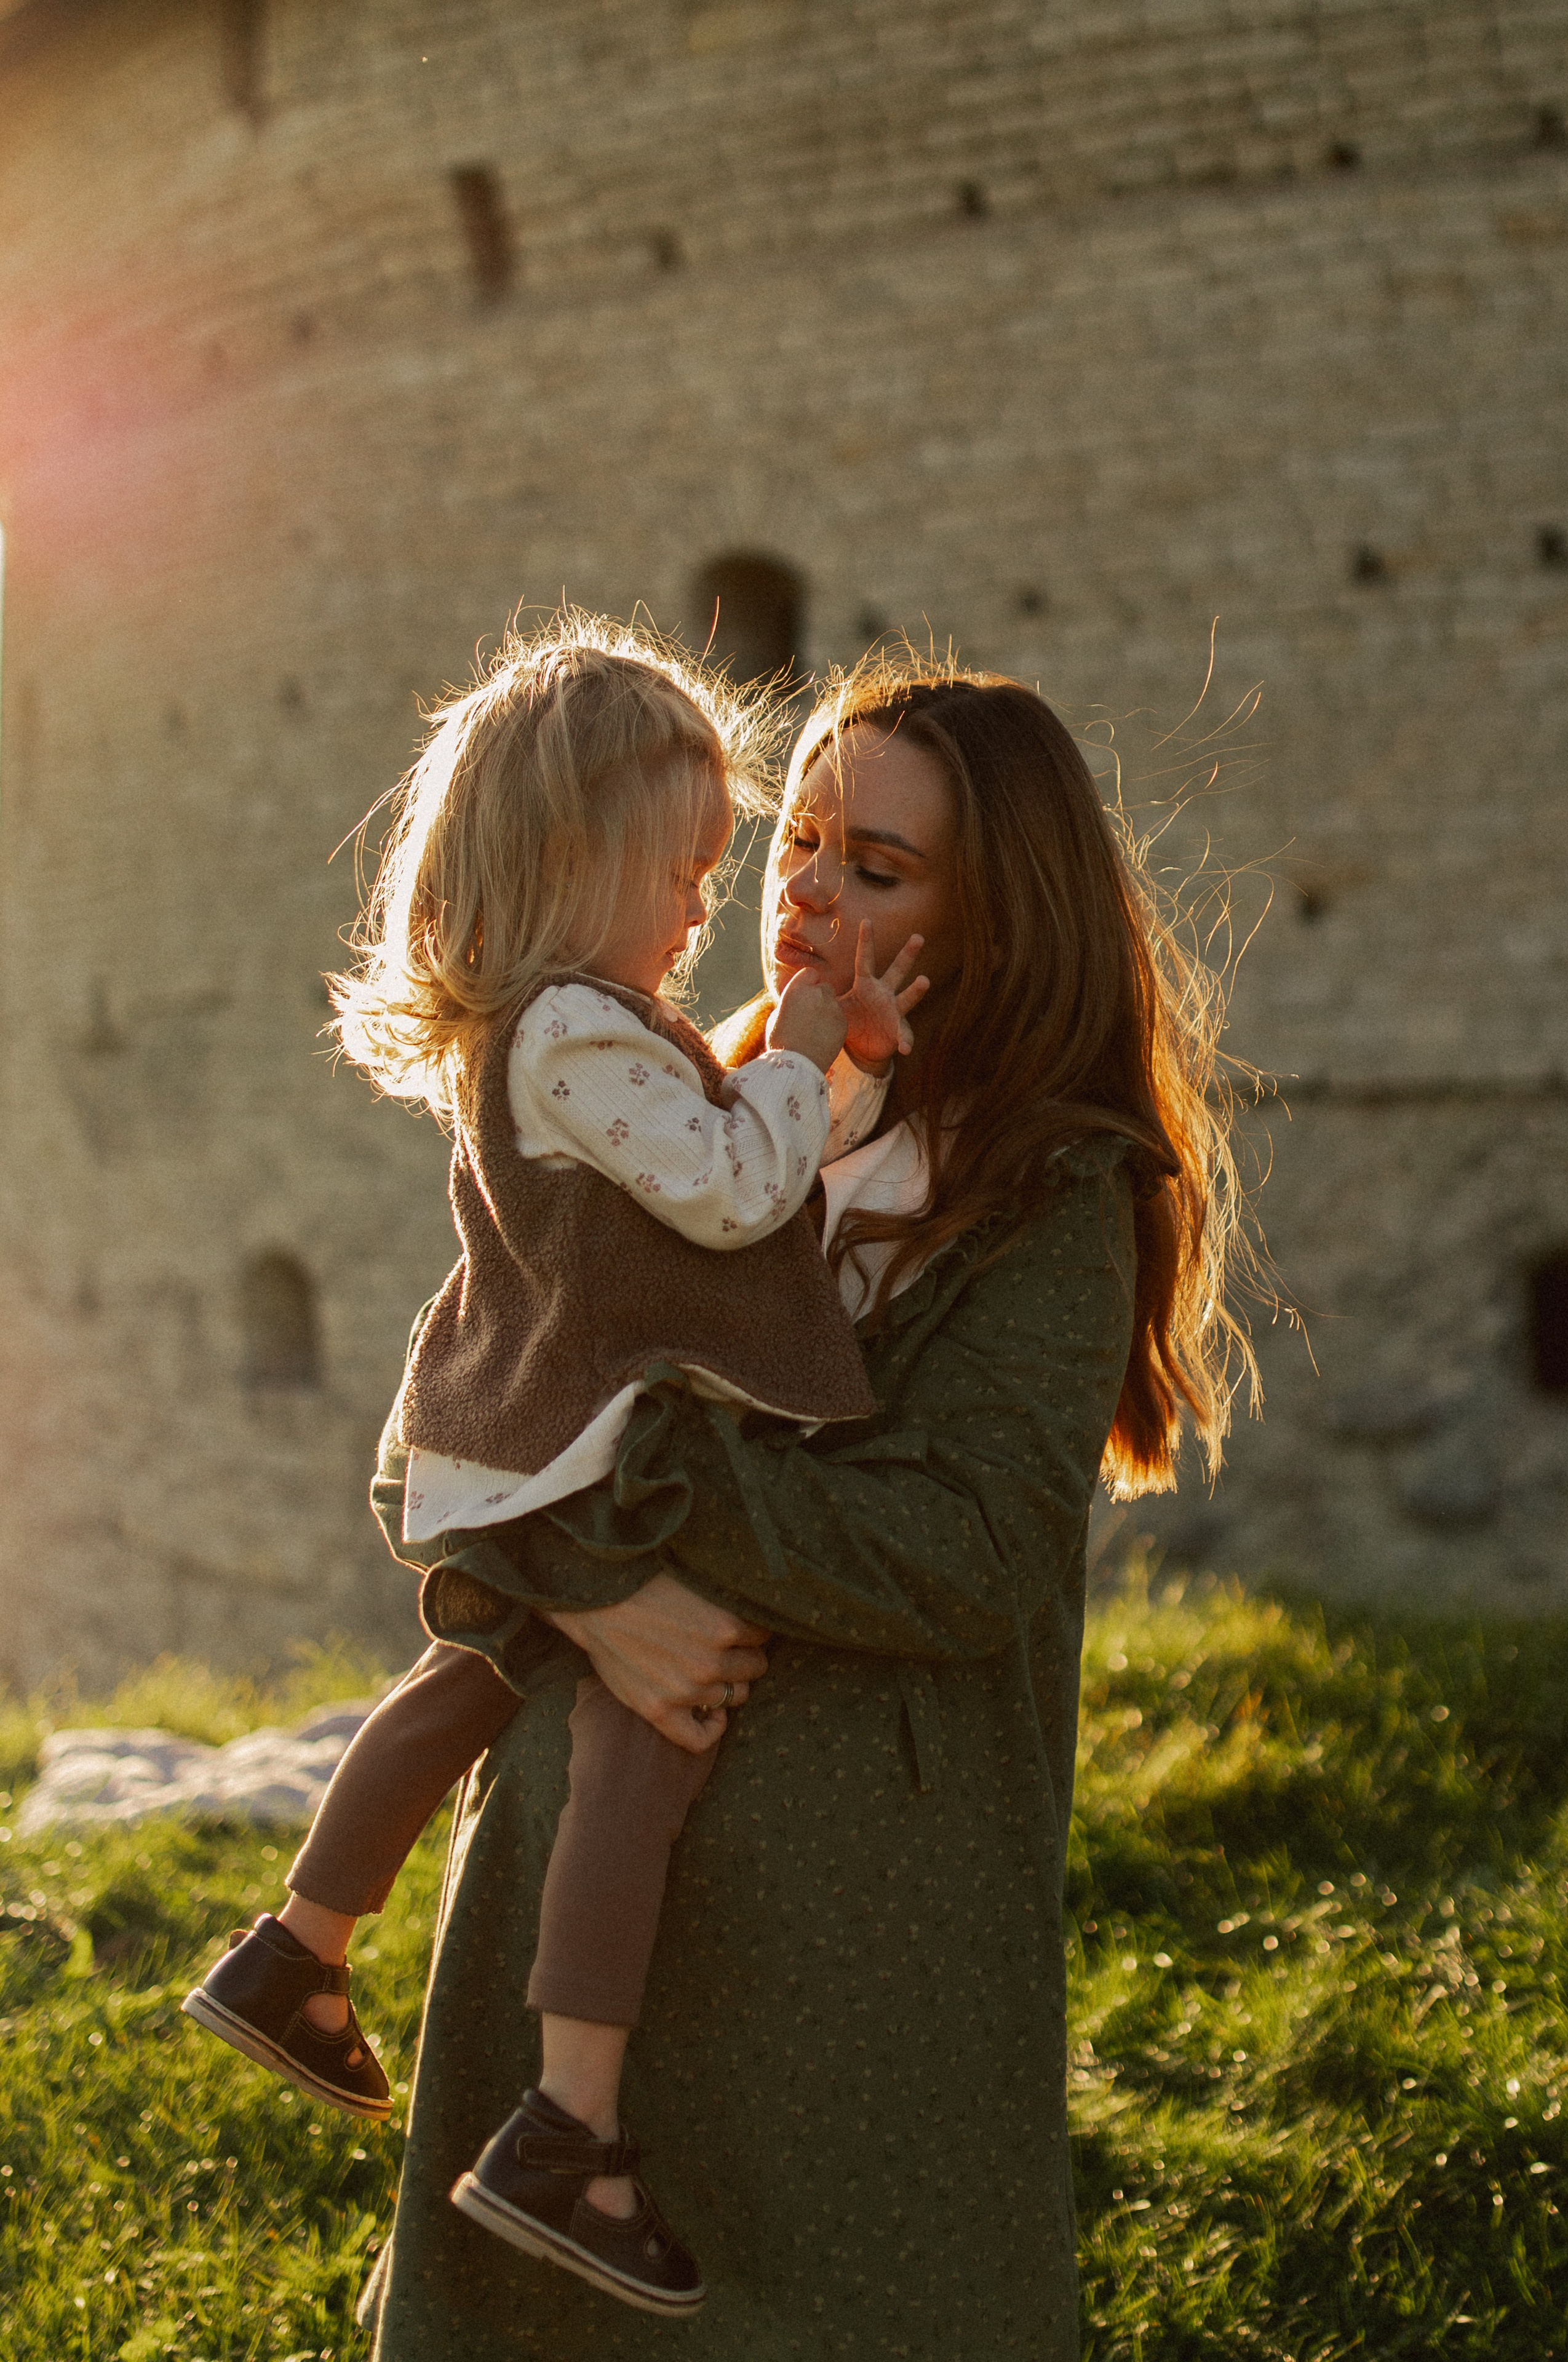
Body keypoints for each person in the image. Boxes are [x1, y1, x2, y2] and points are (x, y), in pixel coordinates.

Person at [357, 652, 1257, 2361]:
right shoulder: (674, 1100)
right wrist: (591, 1585)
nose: (808, 890)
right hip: (566, 1918)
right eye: (802, 844)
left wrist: (630, 1491)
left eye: (880, 868)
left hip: (846, 1962)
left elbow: (966, 1555)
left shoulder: (1052, 1191)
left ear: (993, 924)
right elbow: (441, 1436)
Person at [181, 614, 930, 2315]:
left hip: (530, 1433)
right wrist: (806, 1057)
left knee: (472, 1680)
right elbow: (740, 1191)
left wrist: (829, 1055)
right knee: (640, 1750)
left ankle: (297, 1950)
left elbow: (722, 1157)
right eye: (682, 868)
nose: (699, 906)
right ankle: (567, 2128)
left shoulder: (572, 1028)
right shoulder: (576, 1032)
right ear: (576, 860)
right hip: (581, 1439)